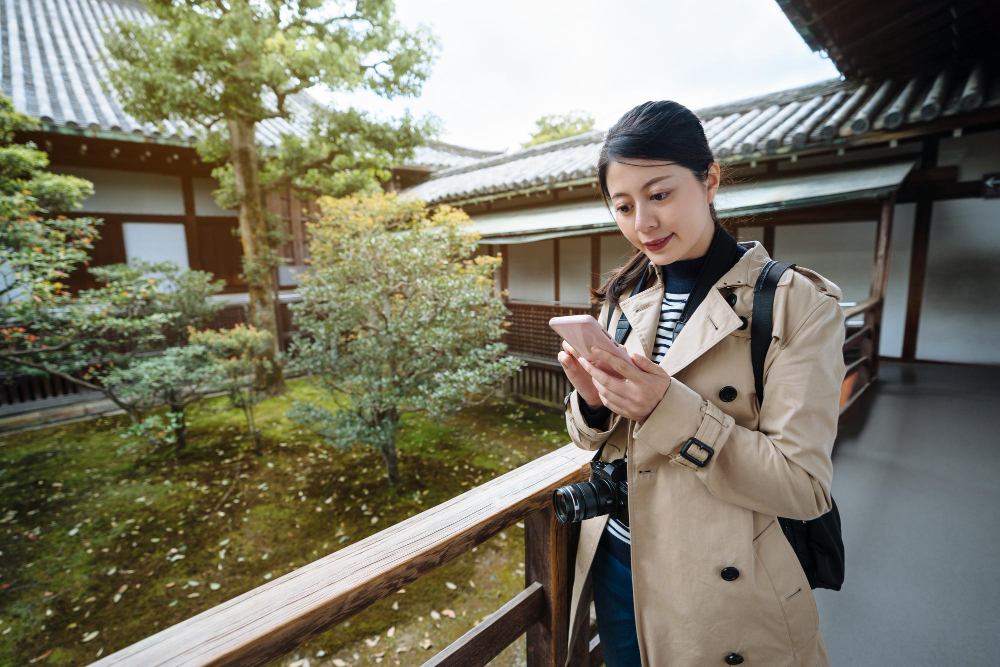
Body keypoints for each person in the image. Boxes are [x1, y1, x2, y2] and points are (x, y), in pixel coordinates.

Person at [556, 100, 846, 667]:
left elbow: (804, 486)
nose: (643, 223)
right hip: (617, 561)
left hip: (720, 587)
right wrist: (593, 405)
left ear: (709, 179)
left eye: (660, 194)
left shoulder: (794, 305)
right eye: (623, 206)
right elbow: (596, 441)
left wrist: (667, 407)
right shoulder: (625, 299)